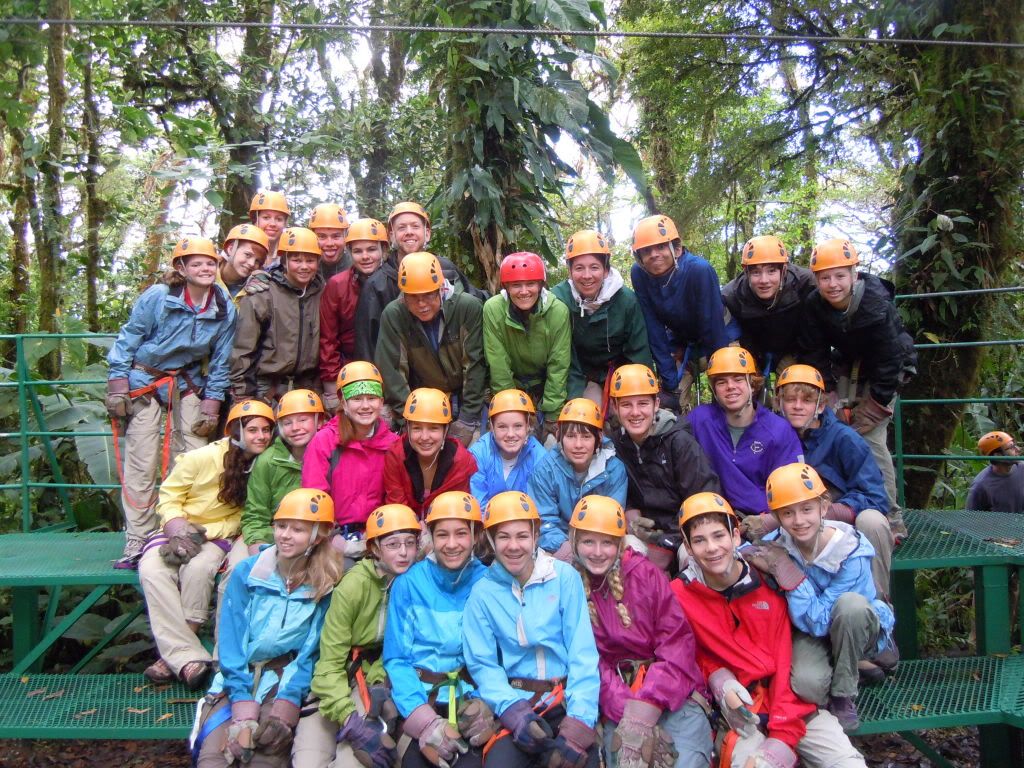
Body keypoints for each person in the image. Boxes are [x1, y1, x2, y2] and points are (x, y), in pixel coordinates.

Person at [672, 492, 867, 768]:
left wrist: (781, 740)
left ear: (736, 537)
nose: (712, 548)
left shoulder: (767, 583)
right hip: (741, 712)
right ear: (688, 548)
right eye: (699, 541)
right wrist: (718, 679)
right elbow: (689, 654)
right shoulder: (681, 594)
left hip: (793, 709)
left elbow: (785, 662)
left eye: (719, 536)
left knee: (848, 764)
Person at [106, 235, 236, 568]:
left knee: (195, 456)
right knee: (142, 459)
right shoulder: (159, 298)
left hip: (188, 383)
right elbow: (130, 337)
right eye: (197, 263)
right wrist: (118, 385)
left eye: (210, 263)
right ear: (181, 268)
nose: (205, 269)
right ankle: (137, 539)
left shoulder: (223, 305)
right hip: (146, 380)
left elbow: (221, 360)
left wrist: (212, 404)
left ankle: (184, 531)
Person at [190, 488, 343, 768]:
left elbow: (311, 651)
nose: (285, 535)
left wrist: (289, 701)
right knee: (213, 757)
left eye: (297, 529)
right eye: (281, 526)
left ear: (319, 535)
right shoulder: (248, 573)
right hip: (238, 675)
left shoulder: (325, 583)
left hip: (285, 676)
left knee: (268, 754)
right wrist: (240, 698)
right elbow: (231, 641)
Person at [137, 400, 275, 689]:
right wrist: (178, 527)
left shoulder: (265, 464)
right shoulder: (203, 458)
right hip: (183, 525)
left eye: (266, 430)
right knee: (153, 571)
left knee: (201, 569)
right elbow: (170, 495)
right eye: (252, 430)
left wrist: (208, 533)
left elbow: (248, 514)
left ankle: (194, 658)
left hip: (221, 534)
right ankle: (187, 657)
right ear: (236, 431)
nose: (260, 436)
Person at [751, 463, 897, 733]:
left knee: (850, 606)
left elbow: (819, 621)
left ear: (823, 506)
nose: (799, 521)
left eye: (807, 509)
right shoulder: (778, 543)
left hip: (856, 626)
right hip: (815, 634)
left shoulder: (849, 549)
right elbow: (744, 553)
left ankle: (844, 693)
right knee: (807, 686)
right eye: (787, 513)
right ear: (778, 517)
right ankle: (855, 668)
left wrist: (789, 573)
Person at [569, 495, 711, 768]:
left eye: (607, 542)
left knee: (685, 762)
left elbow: (676, 642)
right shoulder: (570, 587)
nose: (598, 552)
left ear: (619, 543)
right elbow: (588, 660)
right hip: (618, 699)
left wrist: (648, 705)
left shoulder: (645, 575)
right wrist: (629, 712)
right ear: (575, 542)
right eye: (588, 541)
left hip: (671, 693)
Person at [463, 491, 602, 768]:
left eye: (522, 536)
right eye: (503, 537)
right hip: (517, 702)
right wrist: (512, 711)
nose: (513, 546)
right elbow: (482, 663)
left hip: (564, 701)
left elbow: (582, 653)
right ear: (490, 539)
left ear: (536, 536)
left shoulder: (564, 578)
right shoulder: (482, 593)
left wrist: (579, 722)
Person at [797, 238, 917, 538]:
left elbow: (891, 358)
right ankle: (843, 502)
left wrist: (876, 404)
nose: (833, 284)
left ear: (854, 274)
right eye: (825, 277)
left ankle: (890, 515)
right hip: (846, 365)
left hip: (885, 371)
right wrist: (826, 390)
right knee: (834, 423)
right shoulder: (814, 305)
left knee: (872, 437)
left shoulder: (876, 304)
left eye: (840, 276)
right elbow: (814, 351)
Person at [293, 503, 421, 768]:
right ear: (374, 548)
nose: (404, 553)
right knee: (307, 760)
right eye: (393, 545)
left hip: (372, 681)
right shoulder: (353, 586)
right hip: (337, 679)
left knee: (351, 763)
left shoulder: (413, 585)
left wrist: (377, 682)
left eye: (410, 543)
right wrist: (347, 716)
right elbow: (330, 661)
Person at [768, 364, 894, 600]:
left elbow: (876, 496)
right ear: (779, 403)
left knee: (874, 521)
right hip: (791, 519)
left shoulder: (844, 439)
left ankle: (877, 602)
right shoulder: (772, 435)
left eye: (806, 400)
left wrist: (836, 511)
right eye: (790, 399)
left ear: (821, 405)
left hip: (837, 516)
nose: (797, 406)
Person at [384, 492, 490, 768]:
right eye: (442, 535)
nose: (452, 544)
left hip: (468, 700)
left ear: (475, 535)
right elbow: (397, 659)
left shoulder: (486, 582)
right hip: (420, 699)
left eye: (460, 534)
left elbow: (496, 654)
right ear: (430, 536)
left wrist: (485, 701)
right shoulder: (409, 584)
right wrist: (422, 719)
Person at [607, 364, 720, 571]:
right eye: (626, 405)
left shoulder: (679, 442)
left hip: (686, 531)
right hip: (643, 533)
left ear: (656, 404)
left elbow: (704, 498)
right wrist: (630, 512)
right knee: (625, 557)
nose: (635, 413)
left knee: (697, 558)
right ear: (615, 406)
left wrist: (669, 542)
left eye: (643, 403)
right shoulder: (615, 445)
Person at [375, 251, 485, 446]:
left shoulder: (467, 307)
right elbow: (393, 373)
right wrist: (411, 419)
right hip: (421, 397)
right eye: (413, 298)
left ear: (441, 288)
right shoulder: (394, 315)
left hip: (463, 396)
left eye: (428, 296)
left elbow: (475, 364)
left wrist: (468, 418)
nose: (422, 304)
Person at [354, 201, 486, 361]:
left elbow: (474, 300)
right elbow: (367, 344)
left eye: (415, 226)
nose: (409, 232)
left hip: (452, 365)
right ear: (391, 235)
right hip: (404, 374)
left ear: (427, 233)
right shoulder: (378, 285)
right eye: (401, 228)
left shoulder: (445, 269)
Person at [688, 347, 803, 521]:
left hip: (765, 521)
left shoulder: (778, 430)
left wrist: (768, 523)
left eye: (738, 379)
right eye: (721, 382)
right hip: (714, 519)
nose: (730, 387)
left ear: (752, 383)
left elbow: (793, 490)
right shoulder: (700, 420)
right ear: (714, 389)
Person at [302, 361, 400, 564]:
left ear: (381, 402)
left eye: (371, 398)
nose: (365, 406)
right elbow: (314, 497)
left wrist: (379, 534)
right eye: (356, 399)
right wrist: (332, 537)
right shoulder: (325, 442)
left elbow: (396, 497)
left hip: (379, 536)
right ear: (343, 402)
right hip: (332, 538)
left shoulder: (393, 445)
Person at [629, 214, 728, 412]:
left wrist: (720, 376)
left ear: (677, 248)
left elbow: (713, 327)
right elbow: (653, 326)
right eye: (646, 251)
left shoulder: (699, 270)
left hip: (721, 334)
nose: (654, 254)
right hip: (680, 339)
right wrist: (670, 382)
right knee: (670, 402)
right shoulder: (639, 274)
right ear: (640, 258)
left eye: (661, 247)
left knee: (731, 392)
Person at [550, 229, 653, 405]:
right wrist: (574, 399)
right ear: (569, 271)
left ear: (606, 270)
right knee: (586, 416)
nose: (587, 276)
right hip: (578, 376)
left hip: (618, 373)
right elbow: (562, 356)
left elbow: (638, 353)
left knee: (628, 415)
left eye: (594, 267)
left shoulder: (626, 301)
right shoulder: (559, 300)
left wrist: (642, 394)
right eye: (579, 268)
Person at [230, 226, 326, 402]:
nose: (304, 266)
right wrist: (243, 393)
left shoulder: (322, 294)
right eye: (297, 260)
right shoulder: (263, 294)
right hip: (266, 386)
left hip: (307, 385)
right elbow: (243, 348)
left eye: (310, 260)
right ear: (285, 260)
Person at [483, 252, 571, 438]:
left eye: (530, 284)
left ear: (540, 285)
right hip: (512, 384)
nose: (524, 291)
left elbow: (559, 364)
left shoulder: (558, 311)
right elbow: (498, 364)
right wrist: (509, 407)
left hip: (544, 385)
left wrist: (553, 414)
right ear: (506, 287)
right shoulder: (493, 309)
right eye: (516, 285)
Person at [528, 398, 627, 561]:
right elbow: (544, 521)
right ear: (559, 437)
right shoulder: (546, 469)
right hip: (559, 545)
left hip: (600, 542)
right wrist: (568, 551)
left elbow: (613, 519)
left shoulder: (613, 469)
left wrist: (590, 549)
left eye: (586, 437)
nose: (578, 444)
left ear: (599, 438)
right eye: (571, 436)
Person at [239, 389, 327, 557]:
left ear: (319, 421)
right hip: (275, 536)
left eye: (303, 420)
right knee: (242, 567)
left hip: (319, 539)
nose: (295, 428)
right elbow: (256, 514)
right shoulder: (268, 460)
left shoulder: (332, 456)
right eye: (287, 423)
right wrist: (260, 547)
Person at [720, 235, 816, 379]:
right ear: (746, 272)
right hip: (751, 351)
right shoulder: (731, 296)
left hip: (793, 351)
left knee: (796, 381)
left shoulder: (807, 285)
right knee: (744, 385)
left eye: (771, 271)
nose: (764, 280)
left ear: (783, 270)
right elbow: (728, 336)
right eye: (756, 272)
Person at [319, 218, 390, 411]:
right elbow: (328, 338)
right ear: (350, 253)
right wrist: (332, 385)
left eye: (371, 249)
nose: (365, 256)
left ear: (383, 250)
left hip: (389, 368)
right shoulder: (337, 285)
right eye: (358, 251)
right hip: (349, 368)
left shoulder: (394, 281)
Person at [383, 388, 478, 518]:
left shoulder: (461, 461)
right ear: (407, 428)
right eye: (417, 428)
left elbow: (457, 511)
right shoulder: (396, 456)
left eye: (433, 428)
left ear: (446, 430)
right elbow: (396, 506)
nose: (425, 437)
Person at [469, 390, 547, 510]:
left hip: (526, 525)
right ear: (492, 428)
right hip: (487, 525)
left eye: (518, 426)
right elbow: (478, 505)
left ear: (528, 426)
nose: (510, 434)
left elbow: (540, 507)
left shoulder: (539, 457)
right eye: (502, 427)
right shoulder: (479, 454)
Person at [967, 431, 1024, 513]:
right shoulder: (981, 487)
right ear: (998, 456)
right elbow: (971, 520)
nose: (1018, 449)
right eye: (1011, 447)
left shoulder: (1022, 469)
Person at [219, 224, 270, 302]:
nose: (252, 263)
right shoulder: (206, 276)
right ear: (231, 249)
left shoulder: (255, 286)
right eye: (248, 255)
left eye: (257, 261)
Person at [309, 202, 350, 280]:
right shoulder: (303, 268)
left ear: (345, 237)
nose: (329, 243)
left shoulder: (357, 268)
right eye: (322, 236)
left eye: (336, 236)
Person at [249, 190, 290, 265]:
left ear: (285, 223)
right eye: (266, 217)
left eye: (279, 219)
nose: (272, 224)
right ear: (255, 220)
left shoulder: (289, 255)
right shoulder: (240, 248)